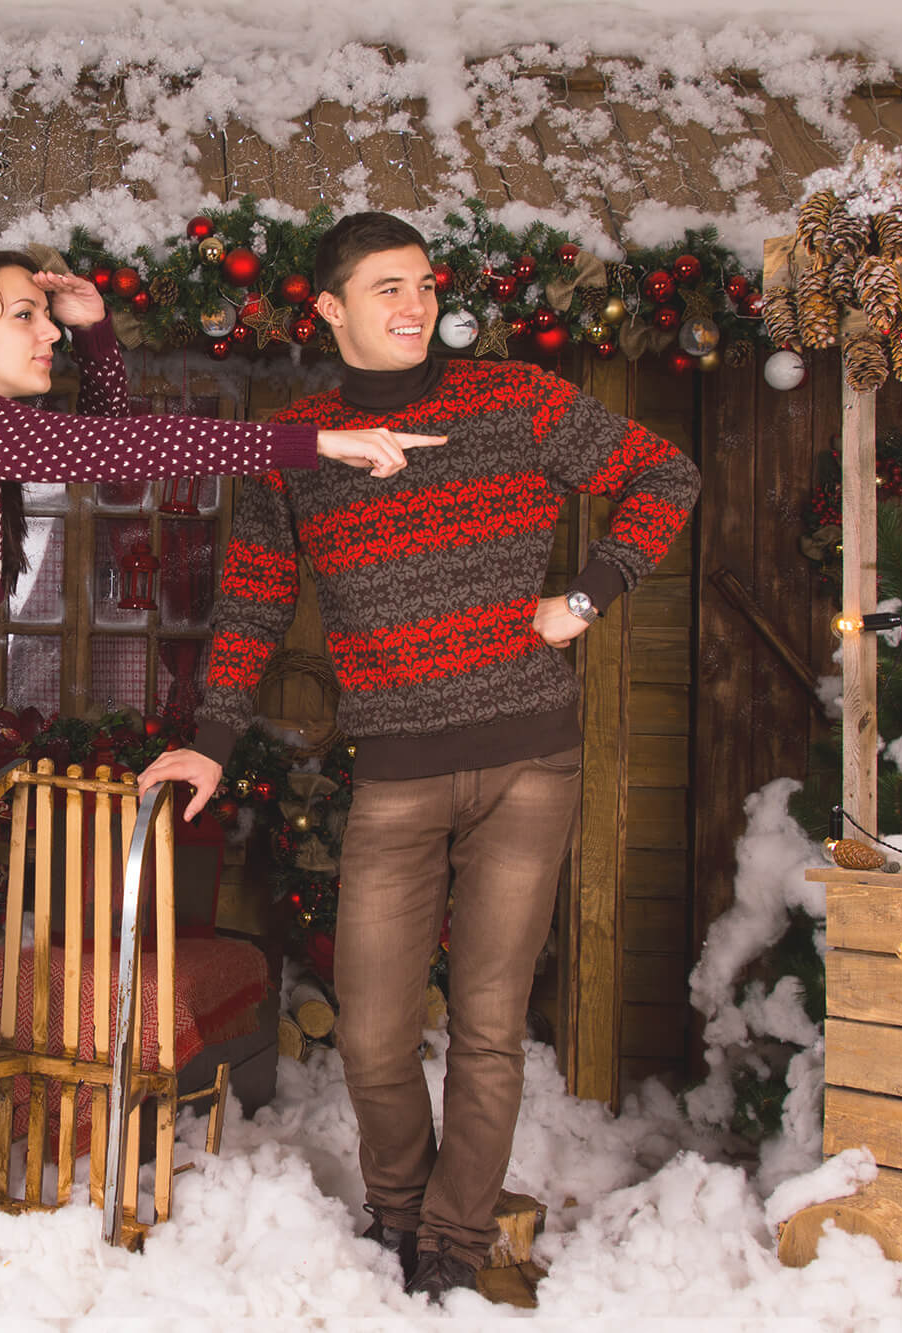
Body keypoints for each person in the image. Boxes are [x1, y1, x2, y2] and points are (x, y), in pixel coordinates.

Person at [0, 250, 445, 1296]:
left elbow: (112, 447)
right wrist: (317, 437)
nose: (45, 335)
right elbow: (122, 438)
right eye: (21, 316)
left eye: (45, 320)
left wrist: (96, 326)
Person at [139, 213, 700, 1302]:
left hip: (529, 758)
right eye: (385, 288)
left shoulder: (517, 401)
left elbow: (662, 476)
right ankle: (394, 1204)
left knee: (489, 1024)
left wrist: (586, 596)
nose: (413, 306)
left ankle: (449, 1234)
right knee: (372, 1030)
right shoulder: (293, 448)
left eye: (424, 285)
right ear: (330, 310)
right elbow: (253, 604)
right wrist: (208, 743)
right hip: (395, 765)